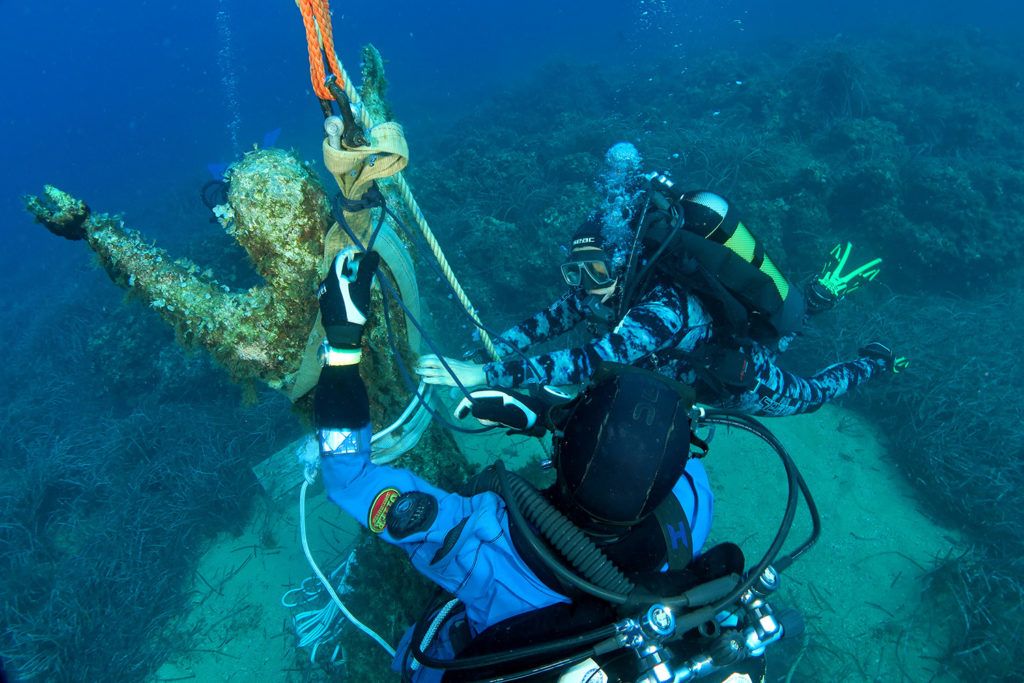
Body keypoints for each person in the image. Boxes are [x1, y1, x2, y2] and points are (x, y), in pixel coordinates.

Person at [311, 247, 792, 682]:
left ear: (557, 453)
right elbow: (647, 450)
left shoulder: (476, 537)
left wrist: (341, 347)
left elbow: (346, 473)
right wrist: (539, 413)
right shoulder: (693, 498)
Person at [415, 159, 908, 418]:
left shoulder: (664, 309)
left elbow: (590, 360)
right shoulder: (613, 283)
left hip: (737, 372)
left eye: (598, 272)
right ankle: (808, 303)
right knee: (778, 330)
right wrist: (494, 348)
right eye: (580, 271)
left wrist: (486, 375)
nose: (589, 287)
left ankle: (872, 360)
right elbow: (552, 319)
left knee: (809, 393)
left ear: (626, 263)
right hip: (685, 358)